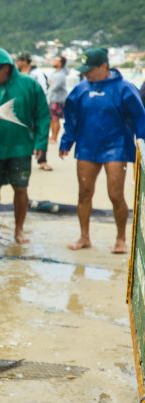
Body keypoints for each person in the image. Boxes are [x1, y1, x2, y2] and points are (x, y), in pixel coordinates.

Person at [59, 48, 145, 253]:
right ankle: (84, 237)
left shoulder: (124, 88)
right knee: (84, 193)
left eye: (90, 69)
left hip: (116, 147)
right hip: (87, 147)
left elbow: (140, 116)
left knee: (115, 194)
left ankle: (121, 238)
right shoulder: (80, 90)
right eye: (84, 70)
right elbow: (71, 118)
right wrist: (66, 141)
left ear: (104, 67)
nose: (86, 74)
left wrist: (141, 140)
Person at [0, 47, 49, 244]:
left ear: (7, 68)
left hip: (21, 147)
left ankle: (19, 230)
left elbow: (42, 114)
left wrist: (41, 143)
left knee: (20, 189)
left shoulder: (30, 85)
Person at [16, 52, 52, 170]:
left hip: (37, 108)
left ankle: (42, 160)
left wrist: (40, 108)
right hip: (22, 109)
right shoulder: (17, 74)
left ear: (25, 61)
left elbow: (43, 90)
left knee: (41, 132)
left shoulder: (37, 74)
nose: (17, 63)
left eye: (19, 60)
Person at [48, 55, 69, 143]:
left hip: (58, 100)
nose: (54, 61)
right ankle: (52, 136)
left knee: (55, 119)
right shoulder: (55, 73)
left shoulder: (61, 74)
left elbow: (54, 86)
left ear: (60, 63)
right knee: (52, 118)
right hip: (53, 98)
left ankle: (55, 138)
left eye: (56, 60)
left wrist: (51, 84)